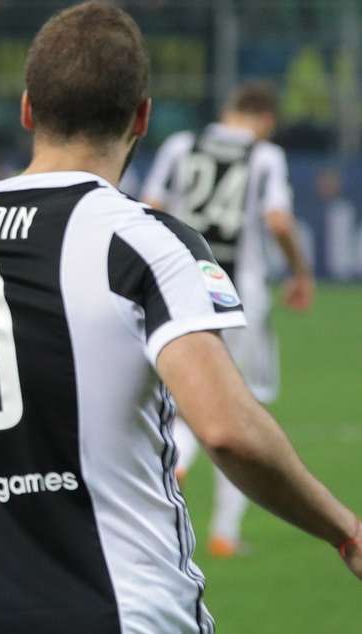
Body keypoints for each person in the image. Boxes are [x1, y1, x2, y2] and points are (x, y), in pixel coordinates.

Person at [0, 3, 362, 632]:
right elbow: (225, 429)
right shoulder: (145, 241)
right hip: (120, 608)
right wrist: (345, 530)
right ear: (141, 117)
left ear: (27, 109)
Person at [141, 81, 315, 557]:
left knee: (179, 401)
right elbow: (278, 221)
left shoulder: (181, 146)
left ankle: (176, 461)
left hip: (181, 291)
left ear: (227, 109)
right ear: (266, 119)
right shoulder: (265, 156)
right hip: (240, 299)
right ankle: (224, 533)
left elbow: (149, 207)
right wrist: (301, 272)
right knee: (245, 407)